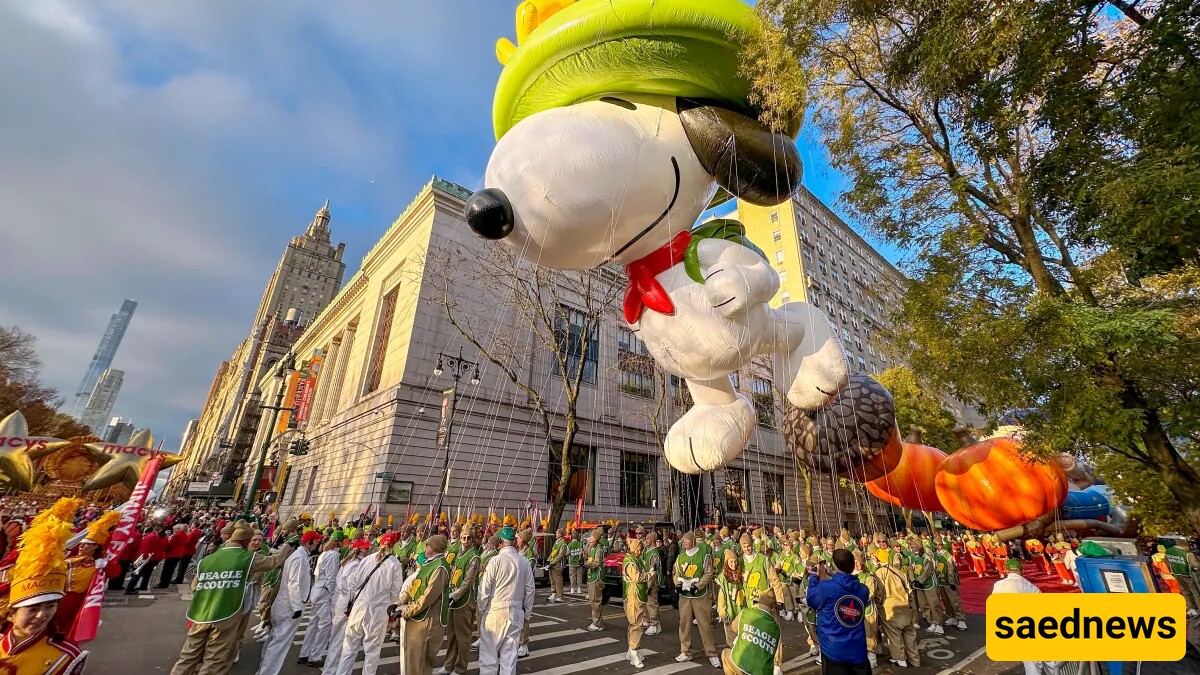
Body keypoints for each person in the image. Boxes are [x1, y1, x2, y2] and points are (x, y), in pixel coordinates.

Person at [170, 525, 296, 675]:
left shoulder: (208, 559)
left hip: (199, 612)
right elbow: (273, 562)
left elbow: (194, 586)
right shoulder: (247, 558)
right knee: (215, 659)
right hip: (225, 613)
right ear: (246, 541)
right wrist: (289, 546)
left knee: (188, 655)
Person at [0, 514, 88, 675]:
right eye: (32, 609)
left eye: (50, 606)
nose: (42, 615)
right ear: (11, 614)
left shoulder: (66, 656)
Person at [328, 534, 404, 675]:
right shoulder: (394, 564)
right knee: (372, 651)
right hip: (377, 610)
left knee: (349, 648)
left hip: (359, 606)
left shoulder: (368, 559)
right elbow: (395, 592)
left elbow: (355, 583)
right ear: (393, 546)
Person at [257, 529, 321, 675]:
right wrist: (298, 607)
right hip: (289, 607)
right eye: (316, 541)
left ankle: (264, 669)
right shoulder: (299, 558)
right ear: (309, 542)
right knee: (279, 644)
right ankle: (267, 672)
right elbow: (295, 584)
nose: (318, 543)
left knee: (274, 640)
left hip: (285, 604)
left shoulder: (299, 556)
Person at [476, 526, 535, 675]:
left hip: (495, 610)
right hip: (515, 612)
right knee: (509, 659)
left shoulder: (495, 561)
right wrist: (527, 613)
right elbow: (530, 590)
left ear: (501, 542)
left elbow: (484, 589)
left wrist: (481, 609)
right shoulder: (523, 561)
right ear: (514, 541)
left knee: (489, 657)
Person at [807, 549, 870, 675]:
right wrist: (834, 574)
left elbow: (812, 600)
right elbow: (845, 584)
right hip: (857, 649)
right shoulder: (863, 590)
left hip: (833, 649)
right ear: (853, 566)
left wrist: (814, 576)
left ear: (834, 565)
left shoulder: (826, 587)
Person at [400, 534, 451, 675]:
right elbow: (415, 587)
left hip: (427, 620)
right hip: (418, 617)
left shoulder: (440, 567)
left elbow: (428, 597)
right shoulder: (429, 563)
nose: (425, 547)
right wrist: (399, 603)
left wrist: (407, 611)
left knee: (420, 664)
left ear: (433, 548)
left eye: (427, 544)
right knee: (412, 661)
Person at [320, 539, 370, 675]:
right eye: (365, 548)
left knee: (338, 639)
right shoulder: (354, 565)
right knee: (340, 640)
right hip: (347, 601)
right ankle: (331, 671)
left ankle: (330, 670)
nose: (368, 550)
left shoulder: (349, 562)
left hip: (342, 600)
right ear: (359, 550)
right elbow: (351, 586)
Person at [991, 559, 1049, 675]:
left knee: (1031, 661)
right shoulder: (1029, 586)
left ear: (1007, 570)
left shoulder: (999, 585)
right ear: (1021, 570)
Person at [673, 530, 720, 668]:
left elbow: (708, 573)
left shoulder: (703, 556)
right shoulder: (680, 557)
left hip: (700, 596)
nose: (685, 543)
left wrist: (697, 586)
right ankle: (685, 651)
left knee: (705, 624)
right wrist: (678, 584)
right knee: (684, 624)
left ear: (693, 541)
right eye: (684, 541)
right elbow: (676, 573)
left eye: (687, 541)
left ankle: (712, 653)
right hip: (685, 597)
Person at [440, 526, 481, 675]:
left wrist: (455, 595)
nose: (465, 540)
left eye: (468, 538)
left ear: (472, 539)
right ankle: (448, 665)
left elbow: (468, 581)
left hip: (464, 601)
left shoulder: (474, 556)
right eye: (463, 537)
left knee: (462, 637)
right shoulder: (458, 553)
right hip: (453, 599)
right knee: (451, 635)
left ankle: (460, 668)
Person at [298, 536, 343, 668]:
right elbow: (331, 577)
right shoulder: (333, 555)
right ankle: (315, 656)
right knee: (325, 624)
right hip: (324, 591)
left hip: (317, 589)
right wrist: (332, 593)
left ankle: (305, 653)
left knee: (313, 623)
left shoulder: (324, 553)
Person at [873, 548, 919, 668]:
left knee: (894, 635)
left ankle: (899, 658)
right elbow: (909, 590)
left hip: (890, 608)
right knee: (910, 633)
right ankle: (915, 659)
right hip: (905, 606)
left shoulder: (880, 572)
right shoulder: (898, 571)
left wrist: (878, 603)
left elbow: (879, 592)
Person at [720, 591, 781, 675]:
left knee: (725, 653)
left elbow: (733, 629)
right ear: (773, 607)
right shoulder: (776, 628)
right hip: (764, 671)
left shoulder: (746, 613)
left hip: (743, 665)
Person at [621, 536, 650, 669]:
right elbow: (637, 577)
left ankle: (631, 651)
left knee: (633, 624)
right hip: (634, 596)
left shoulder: (635, 560)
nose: (640, 551)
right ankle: (634, 653)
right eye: (639, 549)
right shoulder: (631, 562)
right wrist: (651, 574)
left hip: (636, 595)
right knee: (636, 624)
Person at [932, 539, 967, 631]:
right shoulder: (935, 555)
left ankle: (961, 619)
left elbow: (951, 570)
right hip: (941, 582)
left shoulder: (948, 556)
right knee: (946, 601)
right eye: (936, 544)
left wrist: (951, 582)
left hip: (949, 582)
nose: (937, 546)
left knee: (955, 601)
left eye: (939, 544)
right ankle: (952, 617)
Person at [909, 544, 943, 635]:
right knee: (924, 604)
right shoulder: (912, 557)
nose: (912, 547)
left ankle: (939, 623)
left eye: (914, 545)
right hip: (919, 585)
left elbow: (927, 570)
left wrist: (921, 580)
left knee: (934, 603)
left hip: (929, 583)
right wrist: (913, 581)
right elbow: (910, 570)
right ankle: (932, 621)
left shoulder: (926, 557)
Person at [716, 548, 747, 646]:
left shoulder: (740, 573)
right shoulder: (723, 577)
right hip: (730, 608)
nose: (733, 564)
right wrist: (722, 611)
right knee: (731, 636)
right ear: (726, 563)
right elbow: (722, 596)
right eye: (731, 562)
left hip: (741, 607)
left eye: (735, 562)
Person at [125, 524, 167, 595]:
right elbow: (149, 548)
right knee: (140, 573)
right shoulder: (154, 536)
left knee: (142, 573)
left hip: (144, 556)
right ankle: (130, 588)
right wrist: (145, 558)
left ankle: (139, 586)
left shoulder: (150, 535)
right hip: (146, 557)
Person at [584, 528, 607, 631]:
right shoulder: (592, 548)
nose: (590, 538)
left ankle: (597, 623)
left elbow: (597, 563)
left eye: (592, 537)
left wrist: (587, 564)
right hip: (591, 577)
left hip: (596, 578)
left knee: (595, 601)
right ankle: (597, 622)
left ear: (596, 538)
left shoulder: (599, 549)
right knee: (592, 601)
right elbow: (586, 553)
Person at [642, 531, 663, 636]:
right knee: (646, 602)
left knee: (652, 603)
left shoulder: (654, 553)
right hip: (646, 581)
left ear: (653, 541)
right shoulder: (647, 551)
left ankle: (654, 624)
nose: (646, 541)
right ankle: (649, 620)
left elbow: (653, 571)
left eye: (648, 539)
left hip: (652, 583)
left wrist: (649, 585)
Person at [157, 524, 190, 588]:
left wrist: (166, 541)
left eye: (174, 529)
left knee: (166, 570)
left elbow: (169, 545)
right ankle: (166, 583)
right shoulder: (185, 535)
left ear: (178, 529)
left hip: (172, 554)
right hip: (178, 555)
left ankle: (163, 583)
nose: (173, 531)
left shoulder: (176, 536)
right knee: (171, 570)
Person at [546, 529, 566, 603]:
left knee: (558, 580)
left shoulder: (563, 543)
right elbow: (552, 553)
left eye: (557, 533)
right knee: (552, 579)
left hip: (558, 565)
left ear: (561, 534)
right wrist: (548, 560)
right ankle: (553, 593)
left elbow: (560, 555)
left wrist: (553, 562)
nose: (556, 534)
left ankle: (560, 596)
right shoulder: (556, 542)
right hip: (552, 563)